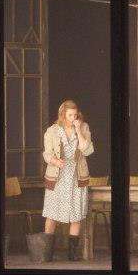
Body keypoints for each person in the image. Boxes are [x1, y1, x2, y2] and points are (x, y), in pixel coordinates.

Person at [42, 99, 93, 261]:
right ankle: (47, 253)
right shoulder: (52, 131)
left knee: (76, 213)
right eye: (70, 115)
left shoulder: (84, 127)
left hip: (77, 176)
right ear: (62, 115)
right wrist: (55, 161)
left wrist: (78, 130)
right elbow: (47, 154)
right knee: (52, 213)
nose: (73, 118)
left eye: (75, 115)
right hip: (58, 176)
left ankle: (72, 254)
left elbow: (87, 150)